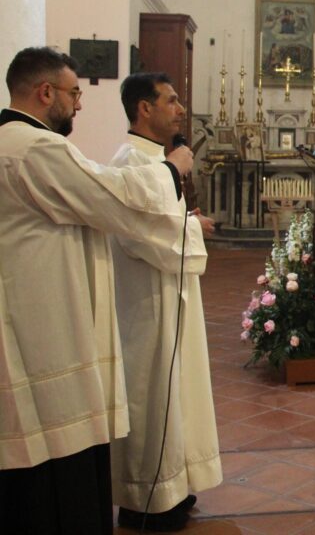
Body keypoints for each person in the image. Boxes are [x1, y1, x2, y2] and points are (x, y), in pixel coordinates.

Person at [0, 47, 195, 533]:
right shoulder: (33, 148)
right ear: (46, 93)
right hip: (46, 322)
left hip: (28, 307)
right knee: (53, 438)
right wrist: (171, 170)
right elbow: (108, 195)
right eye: (74, 93)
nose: (81, 104)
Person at [109, 73, 222, 531]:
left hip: (172, 294)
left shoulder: (156, 159)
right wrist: (191, 228)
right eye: (171, 101)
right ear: (144, 109)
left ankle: (173, 486)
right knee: (153, 393)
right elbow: (144, 233)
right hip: (149, 301)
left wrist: (189, 218)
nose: (180, 109)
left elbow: (161, 218)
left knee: (178, 391)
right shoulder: (132, 161)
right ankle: (145, 500)